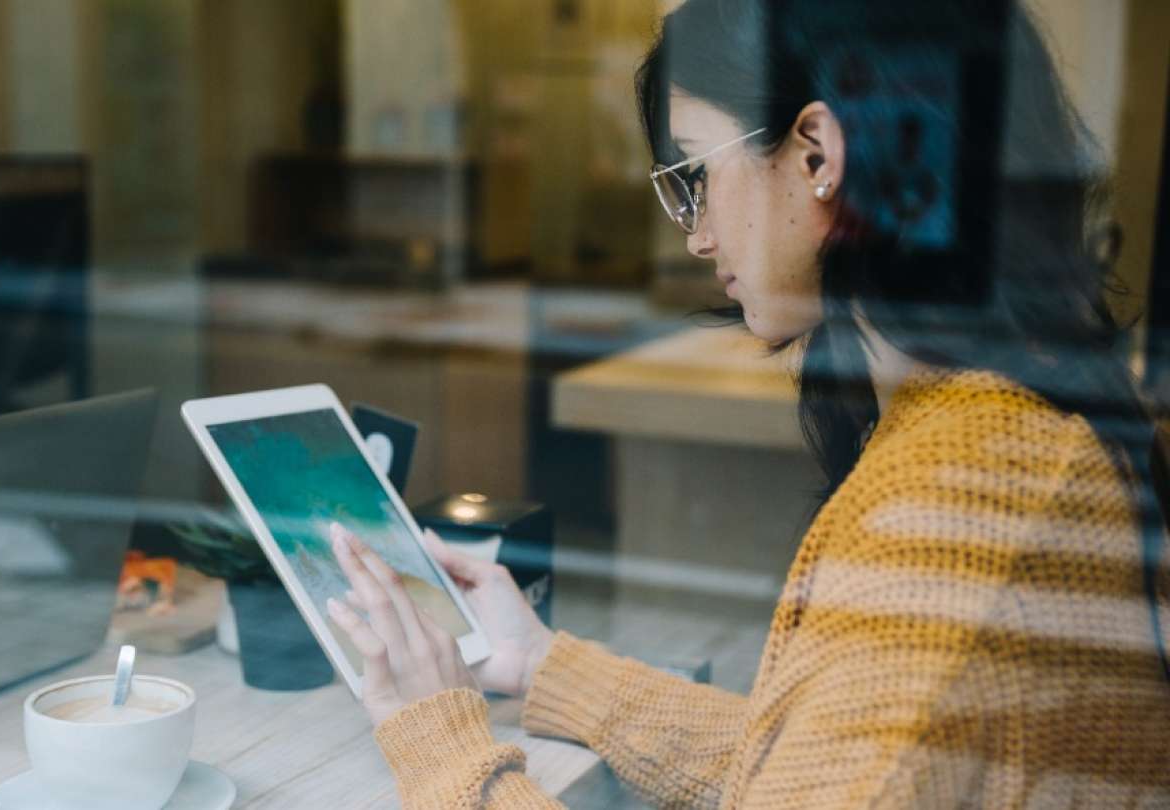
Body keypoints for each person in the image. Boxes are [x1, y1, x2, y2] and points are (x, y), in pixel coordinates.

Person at [324, 0, 1170, 806]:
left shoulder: (956, 514)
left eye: (694, 175)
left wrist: (438, 740)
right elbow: (824, 767)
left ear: (816, 155)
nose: (694, 235)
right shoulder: (998, 431)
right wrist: (543, 665)